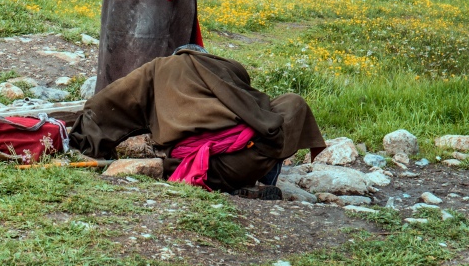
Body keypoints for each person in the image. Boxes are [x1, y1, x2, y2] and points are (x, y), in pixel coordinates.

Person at [69, 46, 326, 195]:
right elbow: (259, 109)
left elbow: (103, 104)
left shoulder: (157, 69)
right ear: (205, 56)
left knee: (247, 136)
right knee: (289, 106)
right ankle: (260, 183)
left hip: (188, 166)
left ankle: (236, 188)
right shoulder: (225, 67)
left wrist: (84, 145)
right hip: (247, 160)